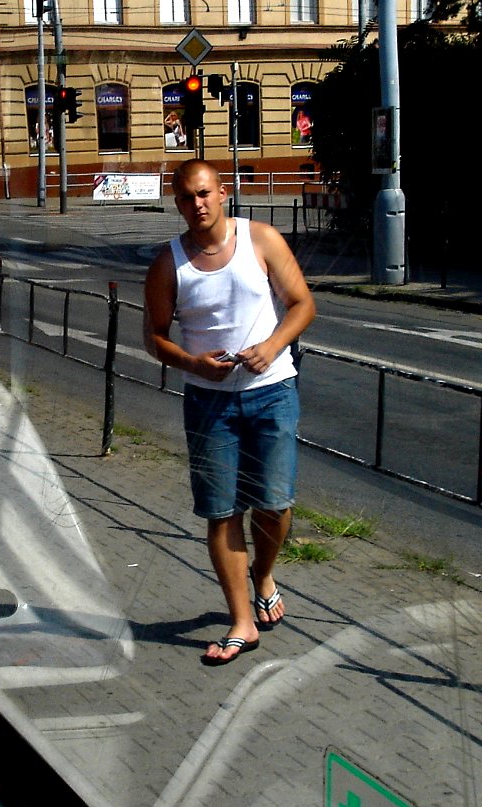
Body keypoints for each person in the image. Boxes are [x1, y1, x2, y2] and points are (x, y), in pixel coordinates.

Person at [143, 159, 316, 666]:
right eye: (184, 198)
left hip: (272, 390)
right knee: (222, 512)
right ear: (176, 204)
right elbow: (153, 336)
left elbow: (303, 304)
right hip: (209, 401)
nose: (195, 205)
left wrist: (273, 343)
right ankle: (242, 621)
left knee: (274, 504)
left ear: (222, 193)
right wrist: (190, 361)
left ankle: (263, 574)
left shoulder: (260, 239)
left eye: (202, 194)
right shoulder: (168, 263)